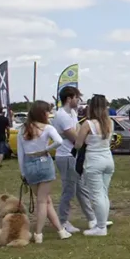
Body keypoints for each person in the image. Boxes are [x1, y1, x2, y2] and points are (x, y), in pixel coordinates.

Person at [18, 101, 71, 242]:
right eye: (47, 111)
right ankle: (38, 234)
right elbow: (59, 141)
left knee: (46, 200)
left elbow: (20, 154)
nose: (49, 114)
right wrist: (46, 149)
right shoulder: (48, 128)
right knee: (43, 201)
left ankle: (61, 231)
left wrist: (23, 172)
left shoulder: (22, 129)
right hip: (44, 163)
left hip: (29, 166)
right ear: (42, 113)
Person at [75, 95, 115, 237]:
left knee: (97, 195)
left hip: (94, 161)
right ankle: (101, 222)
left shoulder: (88, 124)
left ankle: (101, 227)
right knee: (103, 193)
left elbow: (78, 144)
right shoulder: (110, 122)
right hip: (108, 159)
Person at [53, 86, 85, 235]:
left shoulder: (72, 112)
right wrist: (77, 135)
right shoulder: (62, 116)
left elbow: (78, 130)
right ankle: (63, 221)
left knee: (80, 189)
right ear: (68, 99)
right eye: (76, 98)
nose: (78, 100)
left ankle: (93, 218)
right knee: (69, 190)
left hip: (73, 155)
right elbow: (76, 138)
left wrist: (78, 134)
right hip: (65, 156)